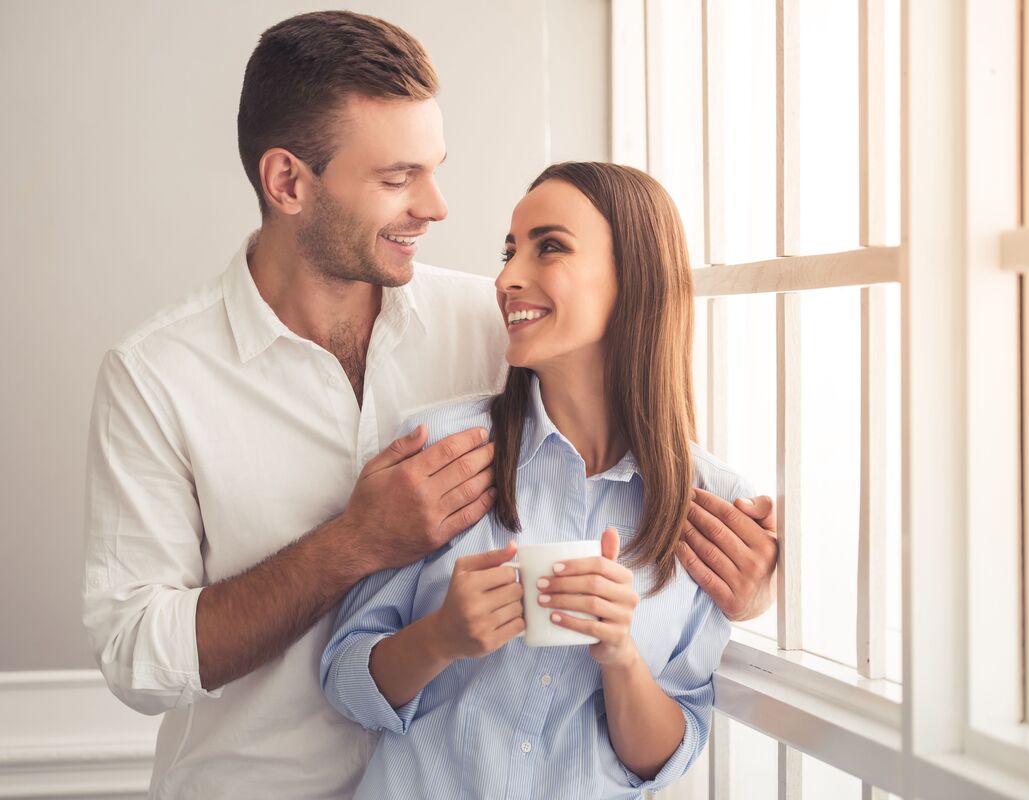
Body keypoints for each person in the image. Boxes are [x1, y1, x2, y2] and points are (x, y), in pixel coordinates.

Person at [82, 11, 778, 800]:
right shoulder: (156, 375)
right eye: (396, 178)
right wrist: (355, 542)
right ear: (288, 183)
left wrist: (741, 580)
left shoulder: (499, 322)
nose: (438, 206)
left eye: (433, 167)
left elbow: (627, 431)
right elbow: (138, 656)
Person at [322, 162, 751, 799]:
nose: (506, 278)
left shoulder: (709, 504)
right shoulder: (439, 452)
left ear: (633, 276)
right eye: (509, 250)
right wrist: (439, 638)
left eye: (548, 246)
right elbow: (345, 679)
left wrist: (620, 657)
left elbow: (669, 750)